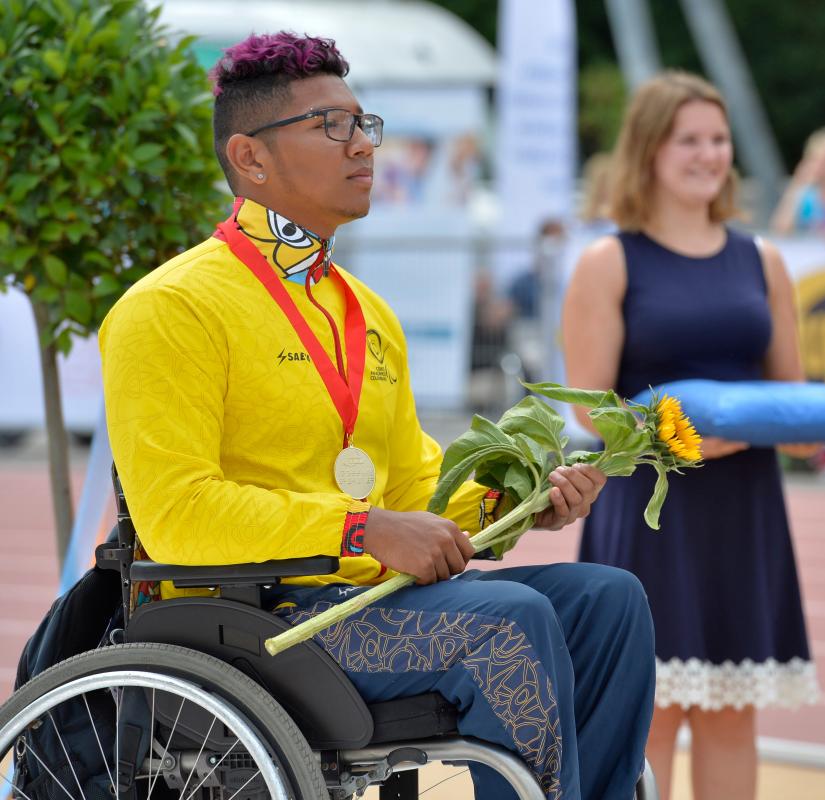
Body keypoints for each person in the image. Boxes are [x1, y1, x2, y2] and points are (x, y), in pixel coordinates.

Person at [98, 32, 655, 800]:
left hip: (368, 596)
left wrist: (517, 503)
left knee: (609, 599)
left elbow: (411, 483)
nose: (364, 146)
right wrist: (357, 530)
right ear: (250, 158)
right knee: (508, 618)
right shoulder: (171, 308)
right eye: (332, 126)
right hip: (256, 615)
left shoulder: (364, 312)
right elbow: (177, 514)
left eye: (366, 124)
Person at [561, 71, 820, 800]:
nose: (709, 154)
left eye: (719, 139)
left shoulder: (762, 260)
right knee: (652, 712)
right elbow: (591, 408)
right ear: (648, 149)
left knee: (734, 713)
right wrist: (690, 443)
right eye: (690, 140)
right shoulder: (608, 261)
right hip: (651, 506)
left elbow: (788, 391)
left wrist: (810, 429)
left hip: (744, 505)